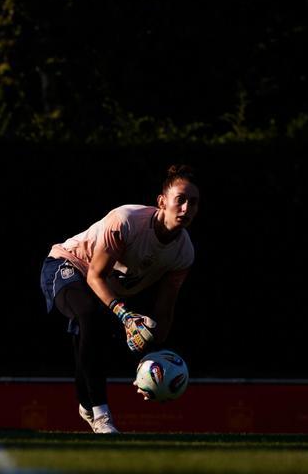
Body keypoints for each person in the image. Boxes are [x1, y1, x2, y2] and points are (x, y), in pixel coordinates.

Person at [39, 164, 199, 434]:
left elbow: (165, 310)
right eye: (180, 200)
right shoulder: (127, 221)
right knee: (88, 315)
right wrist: (124, 315)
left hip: (104, 291)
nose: (186, 208)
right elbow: (94, 276)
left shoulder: (184, 253)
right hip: (69, 265)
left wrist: (152, 364)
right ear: (161, 202)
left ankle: (87, 406)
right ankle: (101, 415)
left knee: (93, 336)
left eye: (193, 203)